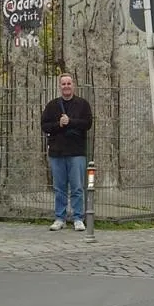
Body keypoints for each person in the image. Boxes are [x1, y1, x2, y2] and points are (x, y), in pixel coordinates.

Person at [41, 73, 93, 231]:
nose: (66, 86)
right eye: (63, 84)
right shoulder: (52, 106)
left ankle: (78, 218)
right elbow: (45, 126)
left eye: (69, 83)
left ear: (73, 85)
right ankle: (60, 217)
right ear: (59, 86)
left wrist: (71, 122)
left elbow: (87, 123)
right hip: (57, 152)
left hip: (76, 152)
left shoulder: (83, 104)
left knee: (77, 187)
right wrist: (59, 124)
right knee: (59, 187)